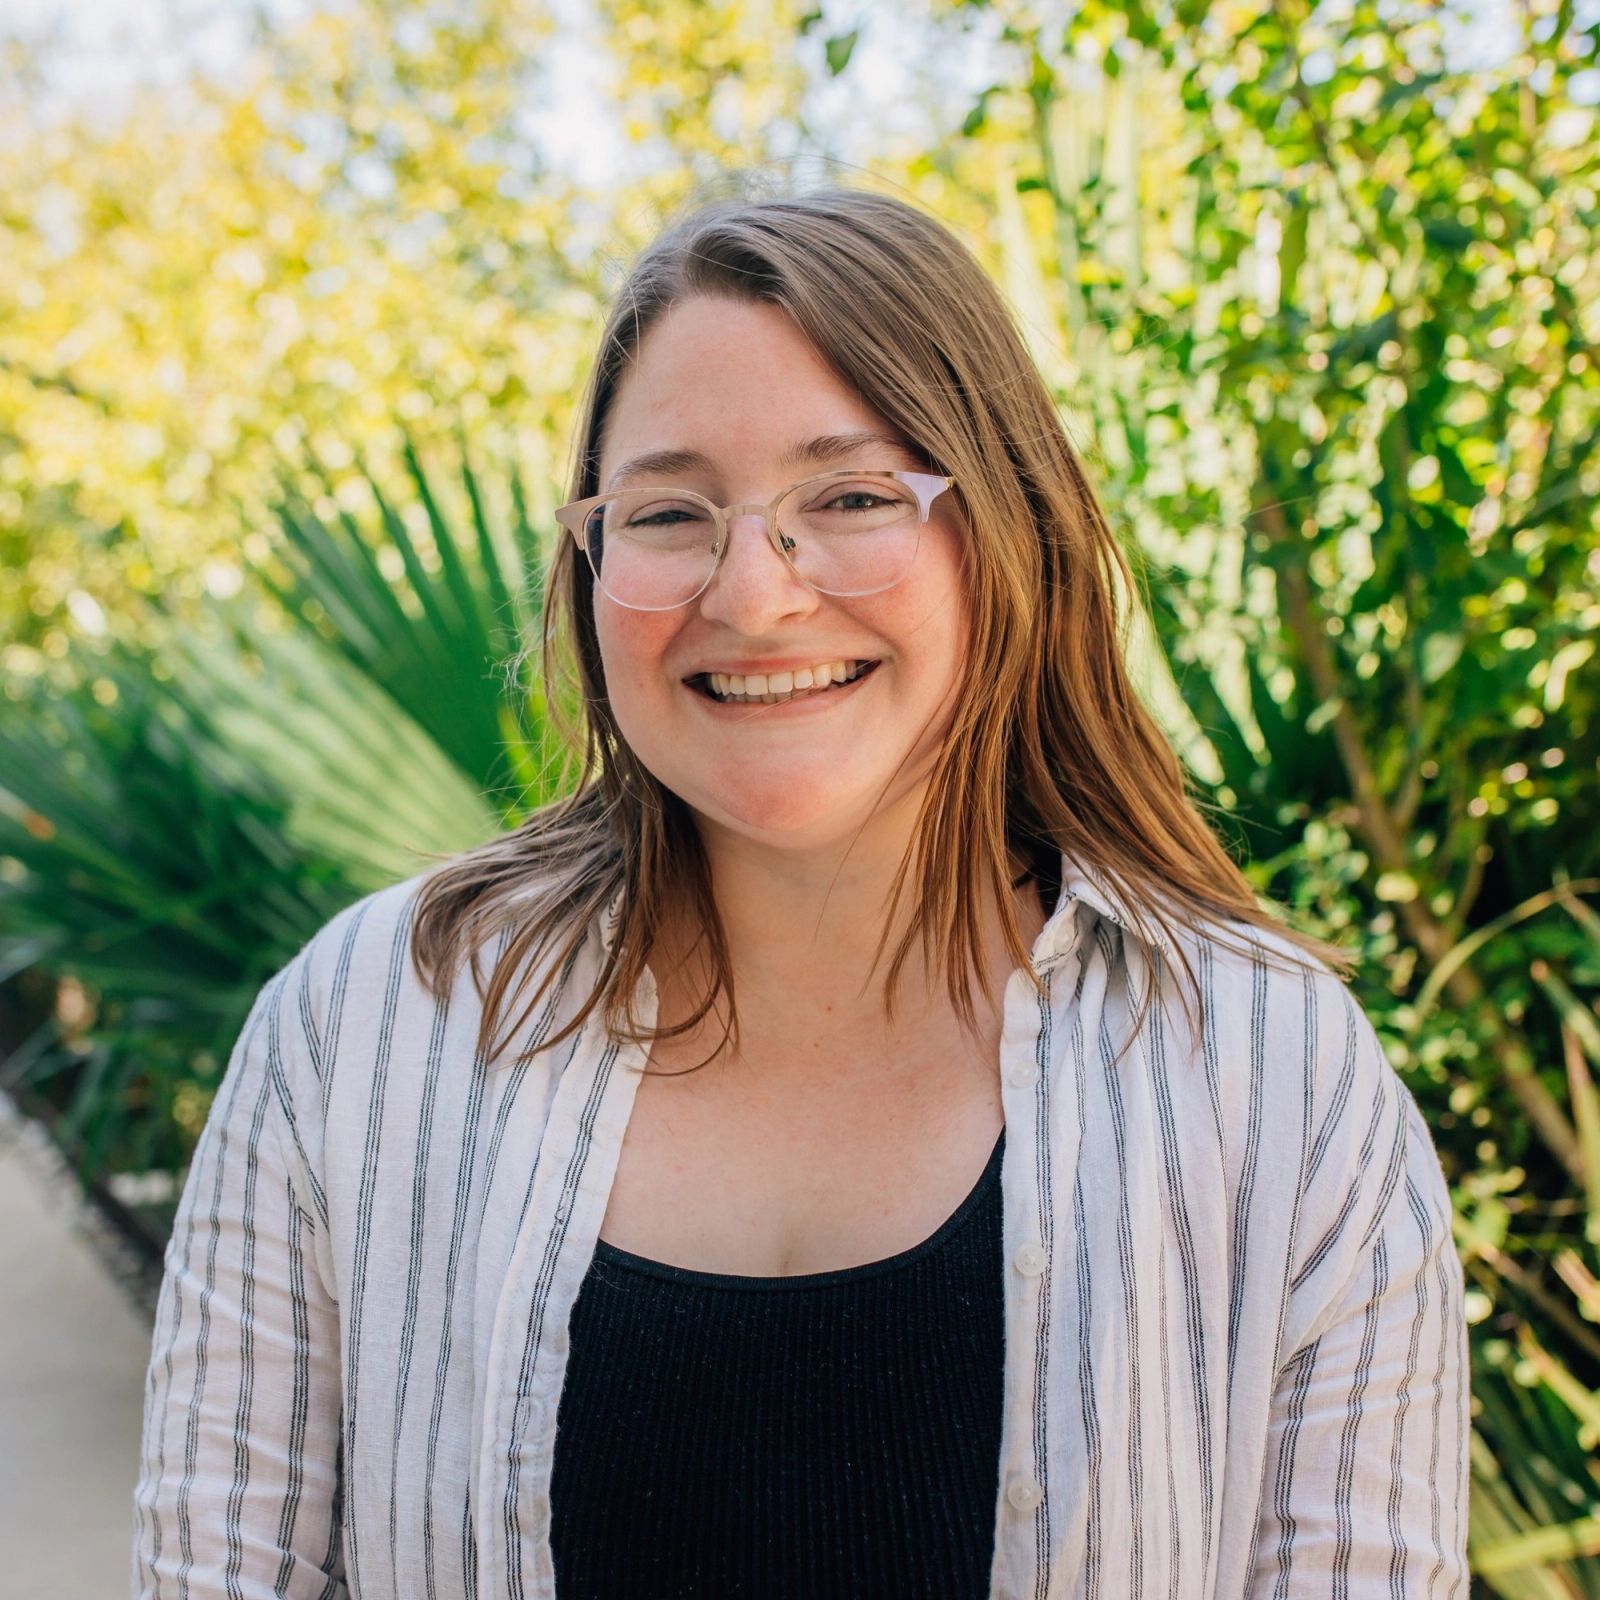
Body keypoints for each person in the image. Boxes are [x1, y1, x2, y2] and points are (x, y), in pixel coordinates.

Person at [131, 178, 1470, 1599]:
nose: (753, 594)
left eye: (851, 496)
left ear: (1010, 532)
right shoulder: (361, 1030)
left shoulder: (1272, 1075)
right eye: (668, 511)